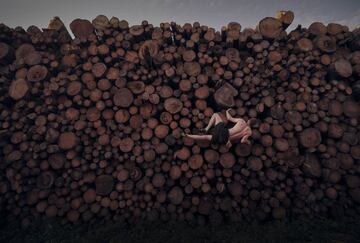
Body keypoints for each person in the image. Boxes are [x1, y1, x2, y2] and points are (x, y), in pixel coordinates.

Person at [181, 109, 252, 149]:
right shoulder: (249, 132)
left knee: (215, 115)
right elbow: (243, 141)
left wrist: (227, 111)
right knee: (205, 137)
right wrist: (248, 142)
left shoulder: (242, 121)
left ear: (249, 121)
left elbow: (229, 118)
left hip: (224, 131)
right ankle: (187, 135)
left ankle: (206, 129)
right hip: (225, 139)